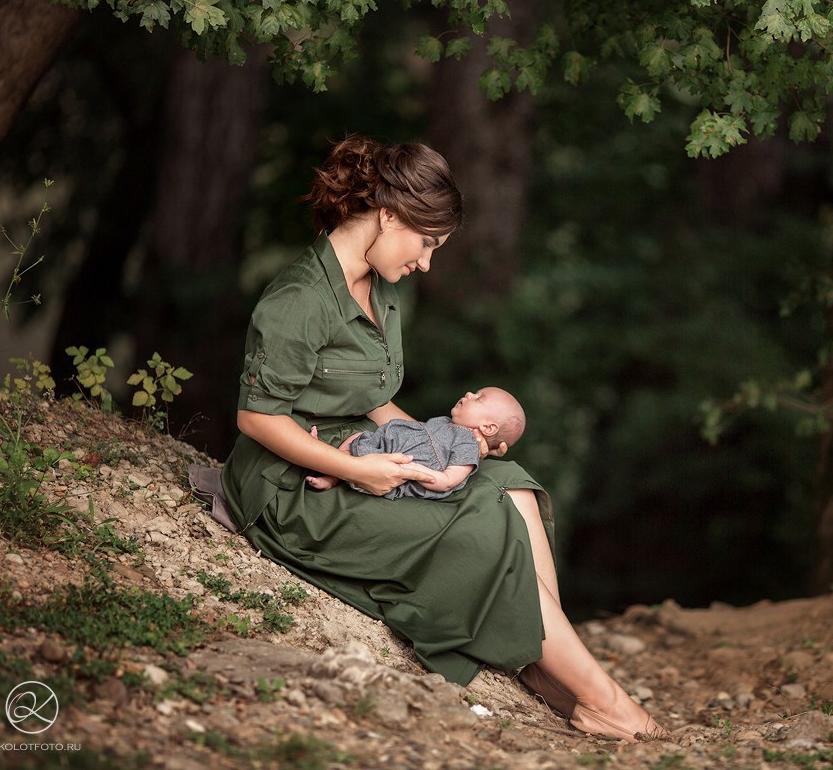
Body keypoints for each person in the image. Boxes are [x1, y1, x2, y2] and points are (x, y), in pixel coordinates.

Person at [204, 134, 666, 742]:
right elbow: (257, 419)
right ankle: (602, 698)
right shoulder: (297, 300)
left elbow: (369, 398)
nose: (427, 262)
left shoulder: (382, 287)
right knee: (480, 526)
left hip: (363, 454)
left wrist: (434, 442)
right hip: (294, 488)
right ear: (389, 216)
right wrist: (358, 472)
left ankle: (542, 658)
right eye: (426, 244)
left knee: (511, 485)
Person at [303, 386, 525, 499]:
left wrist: (413, 469)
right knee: (354, 440)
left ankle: (329, 468)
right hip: (386, 445)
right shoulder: (447, 424)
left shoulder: (468, 445)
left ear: (488, 428)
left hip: (399, 469)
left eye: (478, 398)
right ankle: (331, 473)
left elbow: (448, 480)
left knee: (356, 449)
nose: (468, 394)